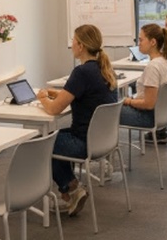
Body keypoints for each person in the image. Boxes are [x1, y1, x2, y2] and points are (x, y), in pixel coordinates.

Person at [37, 25, 117, 217]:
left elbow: (54, 109)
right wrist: (60, 94)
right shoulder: (103, 69)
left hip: (83, 142)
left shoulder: (81, 72)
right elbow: (83, 95)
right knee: (53, 138)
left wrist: (42, 98)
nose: (71, 44)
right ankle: (72, 188)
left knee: (41, 144)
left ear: (80, 46)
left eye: (73, 40)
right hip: (103, 141)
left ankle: (72, 189)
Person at [120, 24, 167, 144]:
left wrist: (128, 101)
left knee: (104, 112)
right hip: (164, 115)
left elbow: (148, 104)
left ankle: (100, 153)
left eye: (141, 40)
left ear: (153, 42)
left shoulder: (153, 67)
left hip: (148, 117)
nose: (139, 43)